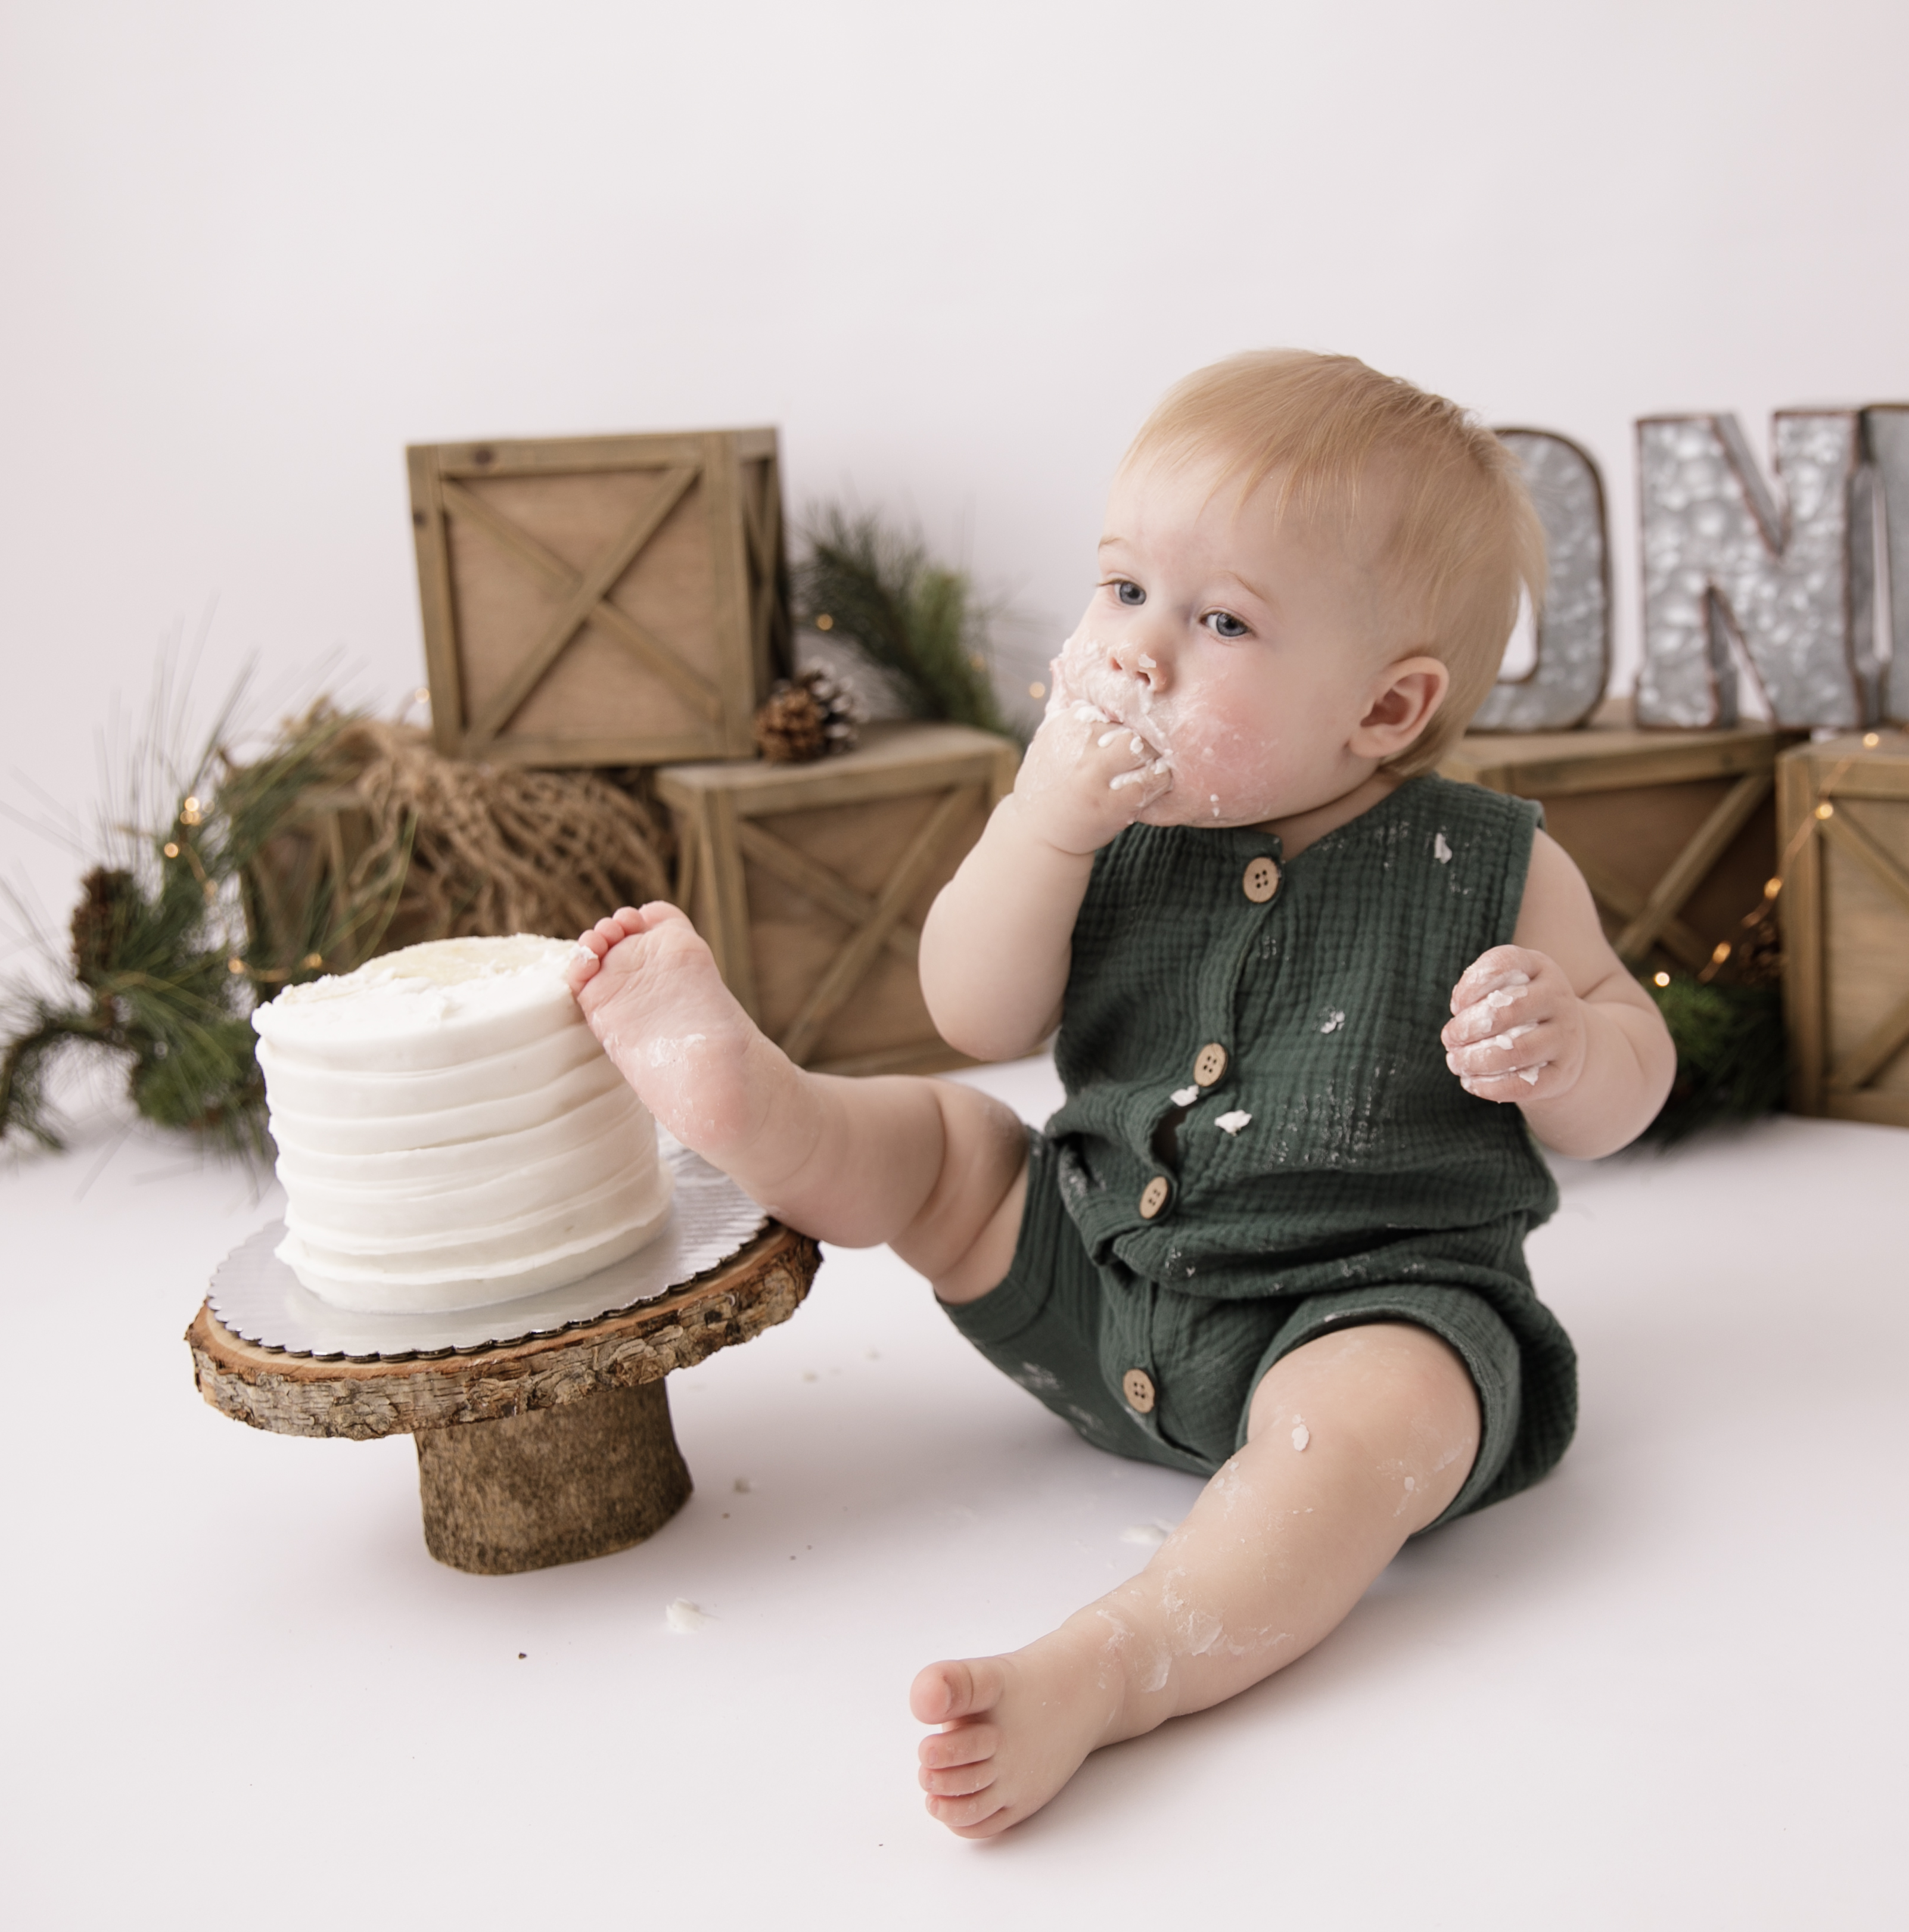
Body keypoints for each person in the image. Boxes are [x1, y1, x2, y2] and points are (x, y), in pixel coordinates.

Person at [567, 349, 1674, 1836]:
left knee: (1381, 1415)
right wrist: (1040, 828)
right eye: (1123, 587)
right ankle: (756, 1103)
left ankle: (1119, 1662)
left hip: (1358, 1315)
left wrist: (1576, 1051)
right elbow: (973, 1011)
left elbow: (1633, 1076)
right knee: (953, 1147)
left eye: (1221, 621)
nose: (1140, 650)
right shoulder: (1104, 828)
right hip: (1092, 1282)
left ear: (1387, 705)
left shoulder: (1490, 866)